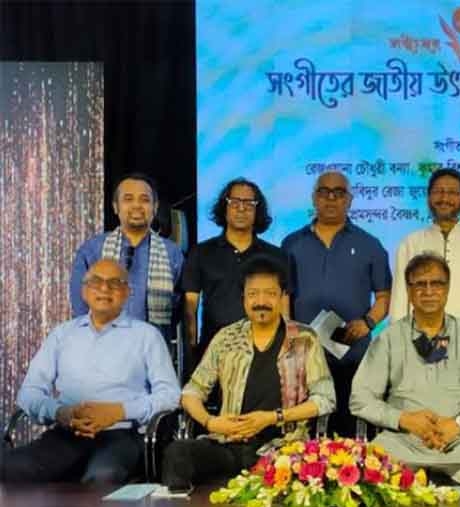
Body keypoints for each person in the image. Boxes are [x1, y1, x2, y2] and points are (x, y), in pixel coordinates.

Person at [161, 255, 335, 490]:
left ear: (283, 296)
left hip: (284, 449)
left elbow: (325, 399)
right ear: (243, 298)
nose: (261, 301)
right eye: (253, 294)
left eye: (270, 294)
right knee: (177, 453)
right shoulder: (226, 337)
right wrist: (211, 423)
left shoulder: (305, 338)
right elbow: (192, 391)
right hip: (228, 444)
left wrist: (272, 417)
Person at [1, 259, 180, 483]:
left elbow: (171, 396)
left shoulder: (147, 336)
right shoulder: (62, 335)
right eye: (96, 282)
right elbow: (29, 393)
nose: (105, 289)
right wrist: (61, 412)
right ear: (84, 291)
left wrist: (119, 411)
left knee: (103, 477)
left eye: (115, 283)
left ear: (127, 292)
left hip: (123, 434)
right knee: (8, 468)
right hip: (67, 432)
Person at [350, 252, 460, 486]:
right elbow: (360, 398)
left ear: (447, 288)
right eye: (420, 284)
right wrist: (403, 419)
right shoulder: (389, 338)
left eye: (436, 283)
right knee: (373, 479)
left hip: (459, 441)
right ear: (408, 290)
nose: (428, 291)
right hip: (401, 441)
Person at [280, 171, 391, 437]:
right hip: (303, 355)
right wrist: (287, 331)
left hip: (353, 355)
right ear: (314, 199)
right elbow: (283, 295)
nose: (331, 198)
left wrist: (367, 323)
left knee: (350, 429)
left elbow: (385, 297)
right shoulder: (291, 243)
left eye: (339, 193)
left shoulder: (370, 244)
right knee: (303, 432)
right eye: (324, 192)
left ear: (349, 200)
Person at [390, 168, 460, 354]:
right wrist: (396, 345)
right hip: (419, 345)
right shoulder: (410, 242)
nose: (445, 198)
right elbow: (400, 299)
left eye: (452, 192)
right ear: (428, 198)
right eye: (438, 192)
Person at [182, 177, 288, 379]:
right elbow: (190, 306)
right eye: (235, 202)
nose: (242, 208)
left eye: (249, 203)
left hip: (264, 355)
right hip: (213, 355)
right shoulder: (201, 253)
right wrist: (192, 352)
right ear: (224, 207)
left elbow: (284, 307)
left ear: (258, 210)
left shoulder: (276, 256)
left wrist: (284, 348)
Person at [70, 172, 184, 339]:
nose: (137, 205)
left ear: (155, 207)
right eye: (128, 199)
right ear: (115, 206)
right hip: (101, 347)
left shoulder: (172, 253)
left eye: (144, 200)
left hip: (152, 351)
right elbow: (80, 305)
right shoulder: (93, 250)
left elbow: (178, 308)